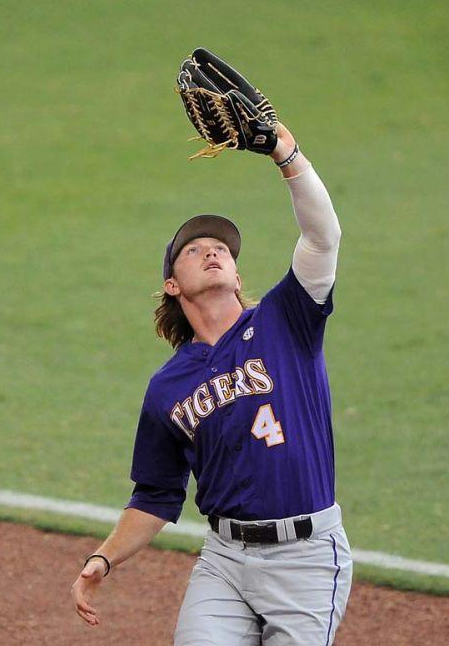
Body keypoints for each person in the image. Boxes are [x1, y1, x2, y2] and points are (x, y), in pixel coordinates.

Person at [71, 122, 352, 644]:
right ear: (173, 285)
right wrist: (102, 558)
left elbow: (323, 237)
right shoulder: (168, 387)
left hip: (307, 559)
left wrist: (286, 154)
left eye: (221, 249)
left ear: (239, 276)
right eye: (195, 249)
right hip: (225, 561)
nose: (212, 251)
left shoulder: (286, 320)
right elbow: (155, 494)